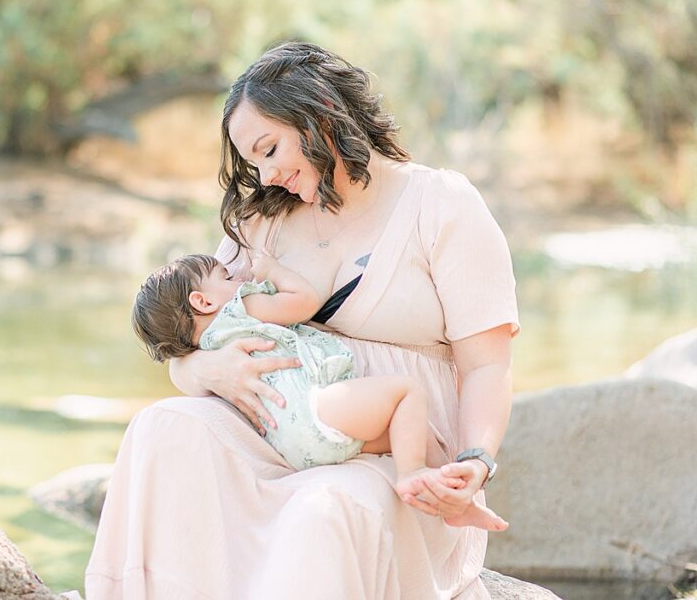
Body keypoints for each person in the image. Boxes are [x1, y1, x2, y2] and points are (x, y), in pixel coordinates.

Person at [86, 42, 519, 599]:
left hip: (397, 449)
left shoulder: (440, 203)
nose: (266, 174)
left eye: (270, 149)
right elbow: (194, 339)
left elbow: (488, 366)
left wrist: (476, 463)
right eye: (254, 162)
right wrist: (203, 373)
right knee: (161, 427)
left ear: (318, 113)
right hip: (280, 434)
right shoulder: (263, 219)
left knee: (326, 508)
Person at [130, 250, 509, 533]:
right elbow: (304, 302)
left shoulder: (210, 344)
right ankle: (413, 474)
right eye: (226, 276)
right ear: (203, 301)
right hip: (318, 412)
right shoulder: (240, 309)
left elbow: (180, 366)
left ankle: (451, 502)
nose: (238, 279)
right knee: (406, 394)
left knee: (405, 426)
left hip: (289, 441)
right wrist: (274, 271)